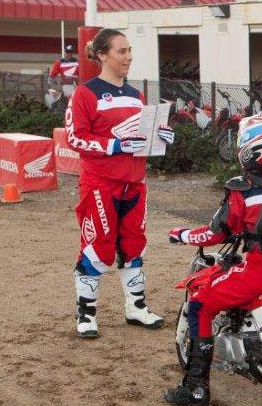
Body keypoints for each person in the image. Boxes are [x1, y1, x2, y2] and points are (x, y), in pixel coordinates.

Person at [163, 112, 262, 406]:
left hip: (258, 272)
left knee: (199, 306)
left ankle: (196, 387)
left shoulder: (243, 189)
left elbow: (216, 233)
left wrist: (182, 235)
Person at [65, 28, 171, 338]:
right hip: (100, 184)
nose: (128, 56)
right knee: (97, 248)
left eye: (129, 50)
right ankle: (86, 314)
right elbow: (75, 138)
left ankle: (136, 308)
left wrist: (161, 138)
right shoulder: (85, 93)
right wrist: (114, 145)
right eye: (121, 51)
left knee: (133, 246)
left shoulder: (135, 95)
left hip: (135, 183)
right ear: (102, 55)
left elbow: (139, 138)